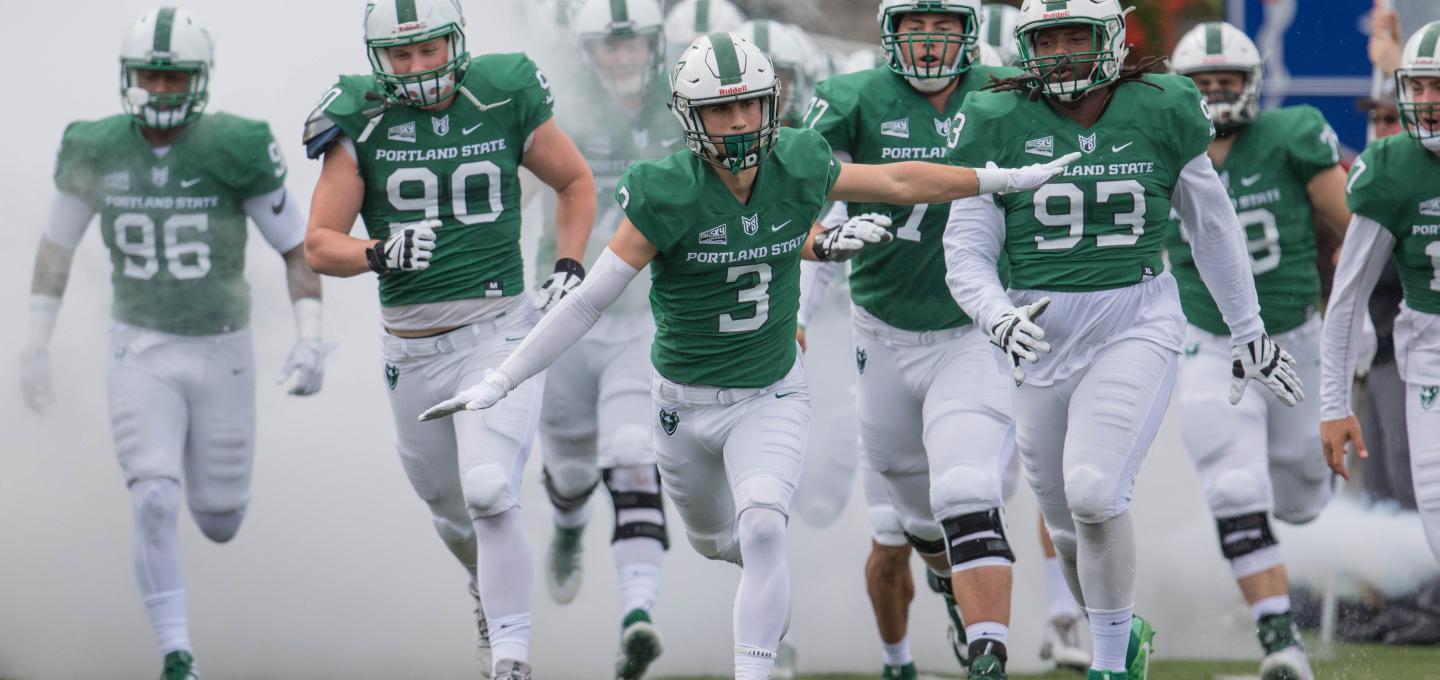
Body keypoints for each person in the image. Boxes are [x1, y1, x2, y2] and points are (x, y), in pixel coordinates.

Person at [421, 31, 1075, 680]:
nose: (737, 121)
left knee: (764, 529)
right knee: (717, 544)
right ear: (689, 116)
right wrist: (502, 379)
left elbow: (899, 179)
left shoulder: (798, 160)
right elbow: (591, 302)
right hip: (685, 404)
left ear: (772, 104)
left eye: (749, 105)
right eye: (718, 109)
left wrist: (1005, 177)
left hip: (770, 393)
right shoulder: (666, 189)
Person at [943, 2, 1305, 679]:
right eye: (1045, 39)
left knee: (1094, 491)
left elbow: (1213, 226)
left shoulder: (1163, 106)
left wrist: (1248, 330)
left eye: (1074, 35)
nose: (1059, 53)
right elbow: (965, 249)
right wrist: (995, 314)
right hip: (1036, 336)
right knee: (1066, 529)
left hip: (1132, 320)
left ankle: (1110, 665)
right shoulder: (996, 119)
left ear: (1109, 38)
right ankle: (1122, 634)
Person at [21, 8, 326, 679]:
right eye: (150, 76)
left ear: (200, 79)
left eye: (173, 76)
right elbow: (56, 246)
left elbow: (295, 248)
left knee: (220, 520)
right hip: (141, 345)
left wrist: (312, 337)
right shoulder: (94, 144)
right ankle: (177, 656)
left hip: (223, 348)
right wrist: (37, 344)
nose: (160, 89)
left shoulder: (238, 146)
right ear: (129, 76)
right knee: (154, 496)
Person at [300, 0, 596, 677]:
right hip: (410, 352)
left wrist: (569, 264)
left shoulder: (504, 91)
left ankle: (512, 660)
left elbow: (574, 181)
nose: (418, 67)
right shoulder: (360, 116)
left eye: (429, 50)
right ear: (379, 60)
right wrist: (379, 253)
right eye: (402, 55)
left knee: (490, 488)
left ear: (455, 44)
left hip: (498, 333)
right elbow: (319, 244)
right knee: (451, 511)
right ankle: (484, 596)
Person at [800, 1, 1084, 677]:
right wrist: (805, 286)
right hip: (884, 333)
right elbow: (803, 189)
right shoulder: (853, 96)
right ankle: (949, 594)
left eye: (944, 26)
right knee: (914, 516)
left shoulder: (1009, 90)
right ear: (891, 33)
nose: (929, 42)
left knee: (966, 488)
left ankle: (989, 652)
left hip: (974, 329)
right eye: (916, 28)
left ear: (970, 30)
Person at [1165, 20, 1353, 679]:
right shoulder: (1158, 149)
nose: (1215, 93)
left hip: (1294, 341)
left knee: (1302, 497)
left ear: (1252, 85)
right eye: (1202, 83)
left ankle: (1265, 558)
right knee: (1234, 481)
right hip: (1208, 342)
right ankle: (1280, 642)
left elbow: (1356, 232)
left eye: (1228, 81)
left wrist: (1353, 325)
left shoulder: (1291, 135)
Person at [532, 0, 675, 677]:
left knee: (631, 451)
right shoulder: (554, 106)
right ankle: (566, 529)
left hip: (644, 317)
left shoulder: (684, 103)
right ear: (586, 51)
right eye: (610, 47)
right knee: (568, 469)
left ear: (654, 44)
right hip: (565, 311)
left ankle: (636, 617)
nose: (623, 58)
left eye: (633, 44)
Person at [1320, 20, 1440, 566]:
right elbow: (1346, 299)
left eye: (1438, 86)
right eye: (1417, 87)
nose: (1427, 101)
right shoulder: (1393, 169)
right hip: (1429, 358)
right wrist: (1334, 404)